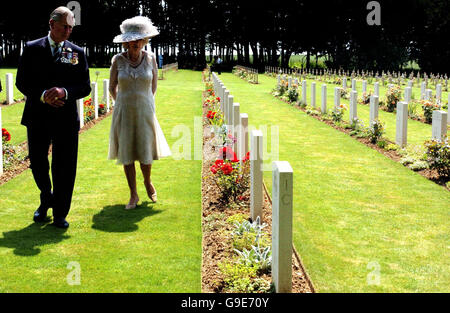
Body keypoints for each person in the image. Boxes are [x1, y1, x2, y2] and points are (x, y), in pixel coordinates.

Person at [16, 7, 91, 228]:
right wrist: (42, 96)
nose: (68, 31)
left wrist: (64, 92)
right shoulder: (31, 49)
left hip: (65, 119)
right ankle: (45, 196)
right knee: (38, 163)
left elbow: (84, 86)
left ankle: (60, 213)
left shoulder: (76, 52)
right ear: (52, 24)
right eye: (64, 26)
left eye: (71, 27)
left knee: (65, 166)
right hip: (37, 116)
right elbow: (22, 81)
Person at [108, 16, 171, 210]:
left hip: (145, 110)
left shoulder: (150, 58)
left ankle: (147, 181)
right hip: (124, 111)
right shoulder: (117, 60)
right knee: (127, 151)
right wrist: (121, 103)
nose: (135, 43)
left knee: (145, 148)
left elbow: (153, 87)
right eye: (131, 40)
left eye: (139, 39)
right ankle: (133, 194)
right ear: (126, 41)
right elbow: (112, 87)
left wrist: (144, 101)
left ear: (144, 41)